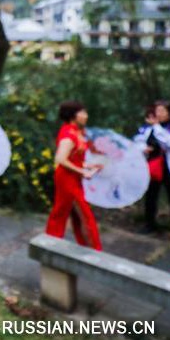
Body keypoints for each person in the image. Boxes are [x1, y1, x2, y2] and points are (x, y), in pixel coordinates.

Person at [45, 100, 103, 250]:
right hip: (66, 179)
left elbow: (73, 160)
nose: (86, 116)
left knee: (67, 214)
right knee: (84, 215)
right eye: (82, 113)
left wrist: (89, 166)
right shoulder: (68, 134)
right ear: (73, 115)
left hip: (73, 177)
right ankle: (95, 251)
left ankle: (54, 243)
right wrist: (82, 171)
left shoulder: (76, 131)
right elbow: (60, 159)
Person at [135, 101, 170, 246]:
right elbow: (136, 142)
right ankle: (150, 225)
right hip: (153, 169)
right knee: (150, 197)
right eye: (157, 110)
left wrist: (156, 127)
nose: (159, 114)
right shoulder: (146, 129)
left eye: (163, 111)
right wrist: (143, 148)